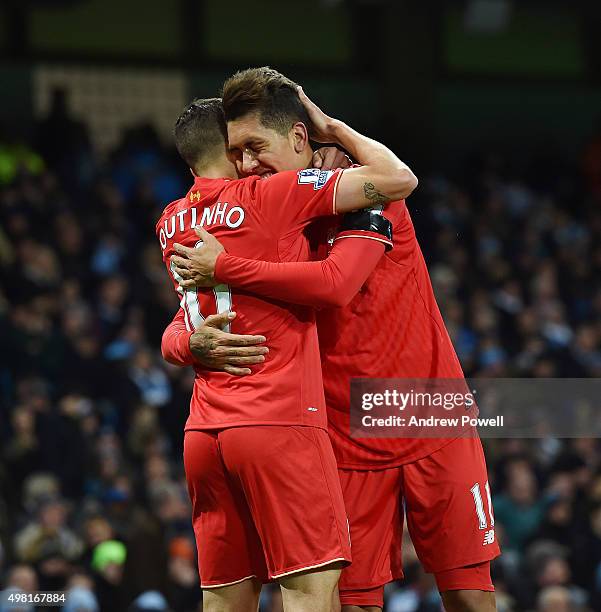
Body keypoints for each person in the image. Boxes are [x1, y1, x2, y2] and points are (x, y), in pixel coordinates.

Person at [165, 67, 500, 612]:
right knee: (355, 603)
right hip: (342, 434)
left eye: (256, 147)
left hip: (426, 411)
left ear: (300, 138)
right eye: (236, 153)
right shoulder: (258, 217)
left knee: (467, 592)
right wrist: (187, 344)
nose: (246, 165)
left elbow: (337, 285)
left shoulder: (361, 189)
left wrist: (336, 131)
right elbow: (189, 313)